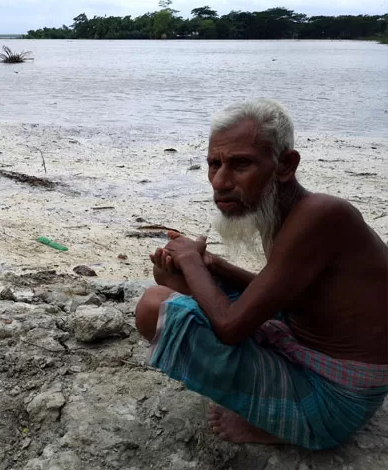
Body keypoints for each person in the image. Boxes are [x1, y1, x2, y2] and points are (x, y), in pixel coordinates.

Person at [135, 99, 388, 449]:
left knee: (153, 307)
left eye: (241, 164)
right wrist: (214, 266)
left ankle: (284, 425)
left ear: (285, 165)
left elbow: (231, 327)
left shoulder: (321, 215)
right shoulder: (291, 213)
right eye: (214, 164)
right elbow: (291, 297)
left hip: (335, 400)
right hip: (310, 350)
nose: (220, 181)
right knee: (193, 286)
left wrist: (193, 263)